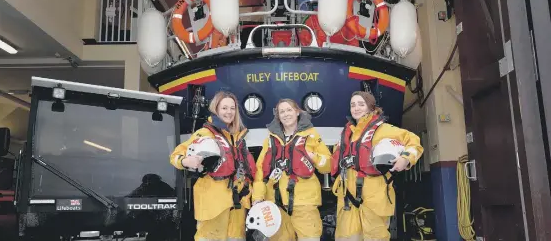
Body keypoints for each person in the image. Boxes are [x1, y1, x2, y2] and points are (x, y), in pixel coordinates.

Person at [331, 91, 424, 241]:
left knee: (376, 237)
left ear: (371, 107)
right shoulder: (347, 134)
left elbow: (413, 141)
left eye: (361, 104)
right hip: (347, 199)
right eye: (353, 105)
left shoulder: (383, 129)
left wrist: (405, 158)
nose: (356, 108)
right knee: (346, 237)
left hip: (374, 199)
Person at [169, 91, 256, 241]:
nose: (229, 112)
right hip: (214, 204)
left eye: (232, 108)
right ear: (216, 109)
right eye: (224, 108)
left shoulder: (239, 138)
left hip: (238, 204)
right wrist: (185, 161)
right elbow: (175, 155)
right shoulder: (205, 133)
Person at [252, 98, 332, 241]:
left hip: (304, 204)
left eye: (289, 110)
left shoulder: (312, 136)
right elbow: (259, 172)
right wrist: (257, 197)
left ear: (297, 112)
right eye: (282, 111)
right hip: (275, 206)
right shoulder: (270, 140)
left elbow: (328, 166)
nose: (286, 114)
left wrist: (314, 157)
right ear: (278, 116)